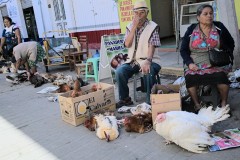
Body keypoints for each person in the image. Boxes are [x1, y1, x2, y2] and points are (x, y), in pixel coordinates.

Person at [180, 4, 235, 111]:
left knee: (221, 78)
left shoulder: (219, 27)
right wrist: (189, 63)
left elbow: (230, 43)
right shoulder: (191, 29)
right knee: (190, 79)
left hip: (215, 62)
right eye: (205, 14)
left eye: (211, 13)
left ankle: (224, 103)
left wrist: (225, 55)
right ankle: (197, 104)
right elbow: (183, 50)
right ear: (198, 17)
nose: (209, 16)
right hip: (195, 62)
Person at [115, 0, 161, 107]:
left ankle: (151, 102)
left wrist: (148, 61)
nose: (139, 16)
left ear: (147, 13)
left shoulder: (153, 27)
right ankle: (125, 98)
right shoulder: (130, 26)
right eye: (136, 13)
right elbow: (127, 44)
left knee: (148, 71)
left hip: (151, 60)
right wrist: (134, 27)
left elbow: (152, 45)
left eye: (142, 13)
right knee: (120, 71)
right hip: (134, 61)